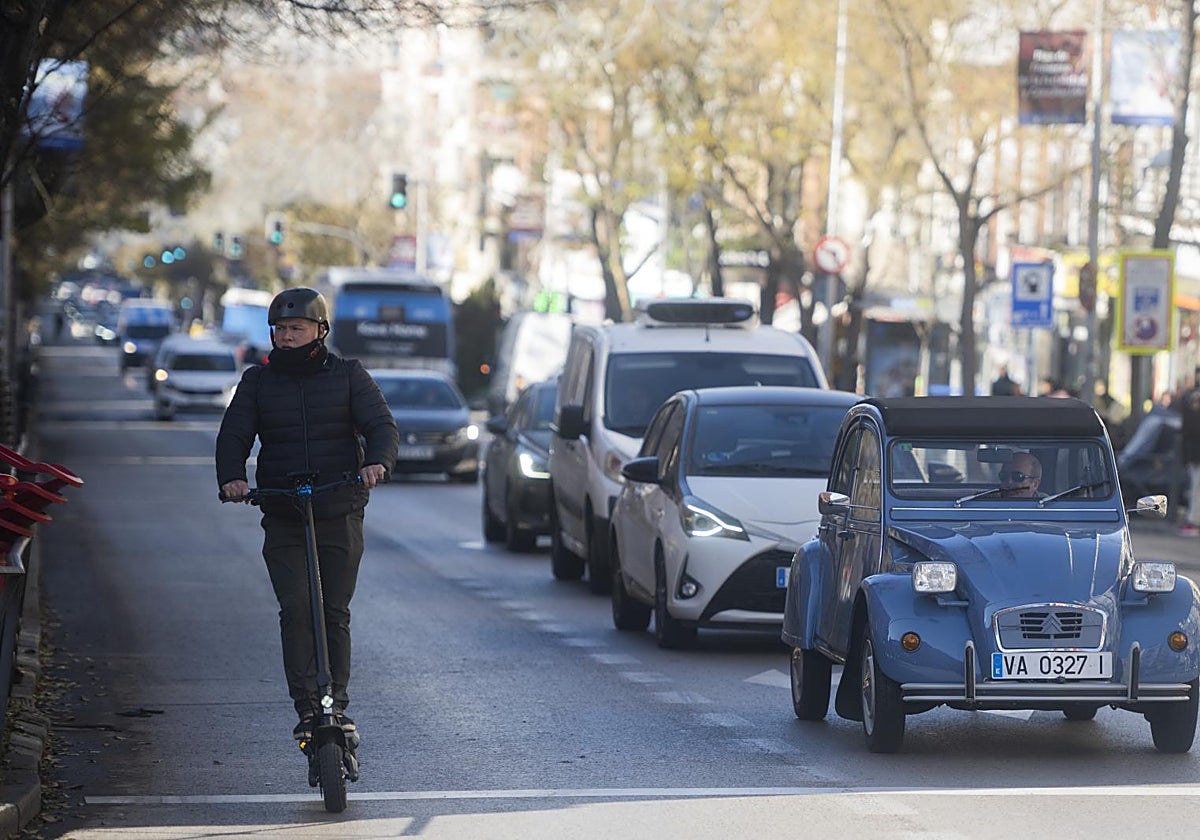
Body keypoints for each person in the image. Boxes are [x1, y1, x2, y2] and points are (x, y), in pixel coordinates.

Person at [215, 287, 399, 741]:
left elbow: (381, 426)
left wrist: (377, 462)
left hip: (338, 505)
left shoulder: (349, 376)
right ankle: (306, 705)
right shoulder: (258, 381)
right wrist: (232, 477)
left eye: (296, 328)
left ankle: (335, 701)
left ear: (320, 330)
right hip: (283, 508)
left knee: (334, 610)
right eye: (280, 329)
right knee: (296, 607)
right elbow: (233, 435)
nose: (287, 336)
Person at [1180, 385, 1200, 538]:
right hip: (1195, 458)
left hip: (1195, 458)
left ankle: (1194, 521)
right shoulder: (1192, 416)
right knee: (1195, 490)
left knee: (1196, 491)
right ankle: (1193, 521)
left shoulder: (1192, 416)